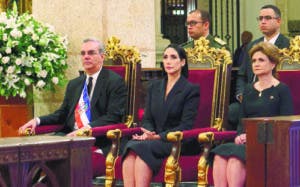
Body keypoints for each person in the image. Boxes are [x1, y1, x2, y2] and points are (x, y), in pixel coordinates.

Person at [18, 38, 127, 174]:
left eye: (91, 53)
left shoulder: (114, 82)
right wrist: (37, 121)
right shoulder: (75, 84)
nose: (86, 56)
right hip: (68, 136)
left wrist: (86, 129)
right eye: (83, 53)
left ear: (102, 57)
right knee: (27, 154)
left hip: (97, 139)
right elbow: (62, 114)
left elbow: (113, 117)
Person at [211, 42, 294, 187]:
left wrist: (252, 136)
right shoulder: (249, 90)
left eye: (261, 60)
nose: (256, 64)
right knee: (220, 155)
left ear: (273, 64)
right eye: (254, 60)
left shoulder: (282, 90)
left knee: (235, 159)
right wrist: (239, 135)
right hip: (246, 142)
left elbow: (285, 127)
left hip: (270, 144)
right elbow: (242, 121)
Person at [121, 44, 200, 187]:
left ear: (182, 62)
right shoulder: (154, 87)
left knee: (141, 149)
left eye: (173, 57)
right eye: (165, 57)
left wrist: (157, 137)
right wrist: (148, 133)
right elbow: (147, 118)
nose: (168, 61)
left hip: (178, 141)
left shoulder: (190, 89)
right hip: (153, 140)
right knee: (131, 147)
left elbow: (186, 125)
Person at [228, 4, 290, 130]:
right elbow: (241, 74)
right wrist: (241, 93)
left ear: (278, 21)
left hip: (273, 96)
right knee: (231, 111)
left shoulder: (289, 45)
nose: (263, 21)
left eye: (267, 18)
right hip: (250, 95)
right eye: (260, 18)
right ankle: (238, 139)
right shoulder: (252, 45)